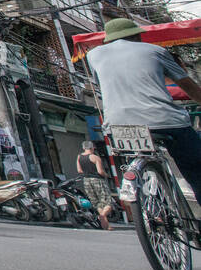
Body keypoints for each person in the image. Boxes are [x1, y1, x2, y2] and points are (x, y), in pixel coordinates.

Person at [85, 17, 201, 201]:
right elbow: (187, 84)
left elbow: (100, 86)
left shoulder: (93, 55)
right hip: (165, 121)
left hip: (117, 125)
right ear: (137, 36)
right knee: (196, 168)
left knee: (130, 159)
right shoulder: (156, 50)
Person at [77, 140, 115, 230]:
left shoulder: (79, 157)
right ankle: (102, 215)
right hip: (97, 180)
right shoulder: (95, 158)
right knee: (107, 202)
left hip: (86, 181)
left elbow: (79, 170)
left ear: (83, 148)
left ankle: (106, 225)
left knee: (97, 203)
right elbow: (100, 171)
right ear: (92, 147)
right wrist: (106, 175)